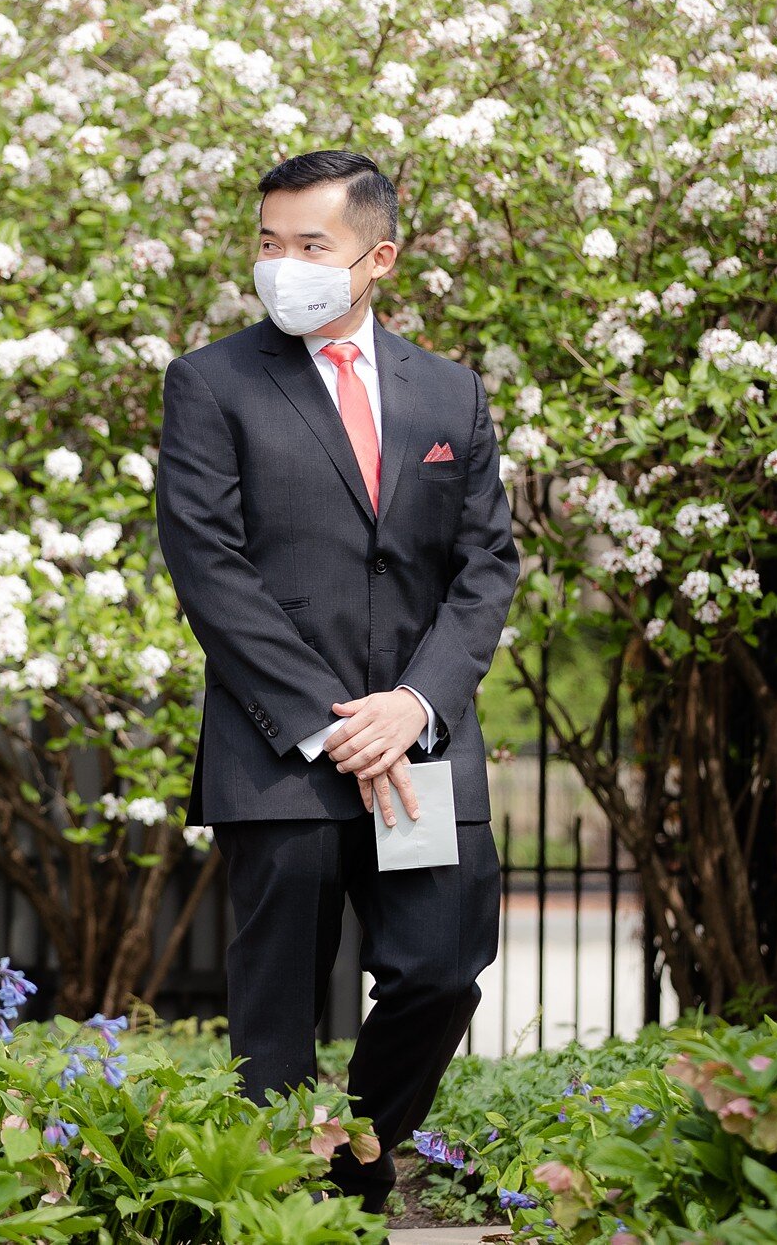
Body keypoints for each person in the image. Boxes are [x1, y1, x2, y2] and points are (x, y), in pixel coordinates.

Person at [153, 149, 517, 1211]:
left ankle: (355, 1156)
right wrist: (328, 722)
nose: (281, 265)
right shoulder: (212, 382)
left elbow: (486, 563)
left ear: (377, 258)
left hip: (419, 742)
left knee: (440, 968)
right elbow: (209, 568)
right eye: (267, 242)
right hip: (282, 752)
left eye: (309, 245)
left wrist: (412, 705)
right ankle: (274, 1206)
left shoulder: (448, 391)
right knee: (276, 1009)